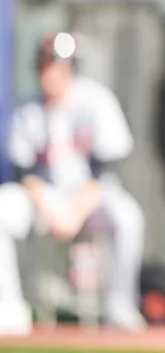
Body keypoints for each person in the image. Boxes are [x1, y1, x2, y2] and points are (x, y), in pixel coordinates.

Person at [0, 33, 145, 332]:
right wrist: (55, 212)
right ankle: (9, 307)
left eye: (58, 65)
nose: (50, 72)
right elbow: (23, 173)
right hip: (43, 201)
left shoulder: (96, 100)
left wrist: (73, 214)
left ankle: (120, 306)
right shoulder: (27, 110)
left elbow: (105, 170)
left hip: (90, 199)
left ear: (70, 69)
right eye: (45, 65)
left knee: (127, 216)